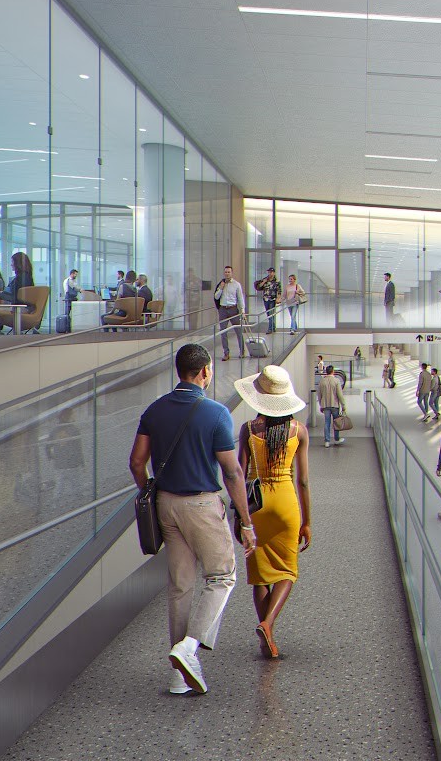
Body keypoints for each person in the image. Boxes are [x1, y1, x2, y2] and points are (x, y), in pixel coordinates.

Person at [127, 343, 255, 695]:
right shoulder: (215, 413)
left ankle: (178, 676)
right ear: (204, 372)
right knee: (222, 576)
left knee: (180, 586)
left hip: (166, 504)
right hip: (201, 505)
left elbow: (137, 462)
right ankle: (190, 646)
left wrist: (149, 491)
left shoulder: (155, 410)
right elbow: (232, 473)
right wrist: (245, 521)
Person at [233, 366, 312, 659]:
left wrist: (241, 517)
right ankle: (267, 624)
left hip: (257, 504)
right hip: (286, 503)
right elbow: (302, 480)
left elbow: (239, 475)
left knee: (260, 574)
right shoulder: (299, 431)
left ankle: (266, 631)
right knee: (288, 570)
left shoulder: (248, 430)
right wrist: (307, 522)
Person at [212, 265, 247, 361]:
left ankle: (242, 351)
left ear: (232, 273)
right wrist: (221, 288)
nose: (227, 273)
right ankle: (226, 353)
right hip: (223, 310)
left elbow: (240, 298)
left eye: (229, 272)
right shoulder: (221, 284)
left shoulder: (236, 284)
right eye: (226, 272)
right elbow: (216, 297)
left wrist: (243, 311)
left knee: (238, 331)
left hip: (233, 309)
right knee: (223, 332)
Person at [316, 363, 344, 448]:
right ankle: (336, 439)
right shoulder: (336, 381)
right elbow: (339, 394)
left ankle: (327, 441)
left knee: (326, 423)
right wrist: (343, 405)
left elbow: (319, 394)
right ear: (333, 372)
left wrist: (321, 405)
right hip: (335, 405)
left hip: (325, 405)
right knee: (336, 422)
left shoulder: (322, 381)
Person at [254, 267, 281, 334]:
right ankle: (273, 327)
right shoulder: (265, 279)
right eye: (269, 272)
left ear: (274, 273)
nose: (270, 273)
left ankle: (270, 329)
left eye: (271, 272)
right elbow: (258, 287)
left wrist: (278, 298)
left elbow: (279, 290)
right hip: (266, 299)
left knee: (271, 314)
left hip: (272, 299)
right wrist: (264, 282)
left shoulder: (277, 281)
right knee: (268, 314)